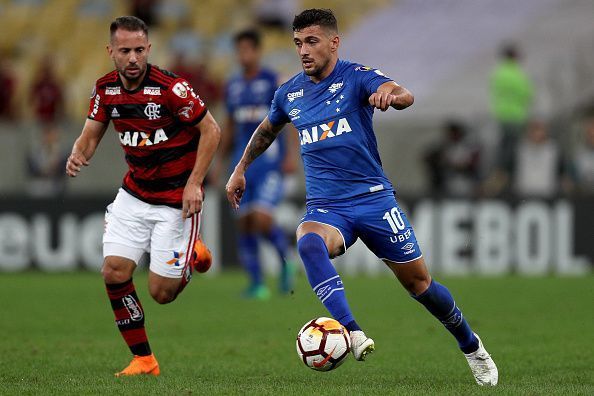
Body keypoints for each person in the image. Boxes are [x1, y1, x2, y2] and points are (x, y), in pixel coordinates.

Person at [225, 9, 498, 386]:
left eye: (312, 41)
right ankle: (352, 331)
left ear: (334, 42)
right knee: (308, 240)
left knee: (420, 285)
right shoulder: (289, 93)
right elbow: (267, 130)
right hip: (327, 207)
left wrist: (392, 93)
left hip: (374, 201)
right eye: (298, 43)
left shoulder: (356, 78)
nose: (303, 50)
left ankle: (472, 346)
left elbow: (404, 95)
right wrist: (240, 168)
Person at [65, 16, 220, 377]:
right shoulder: (104, 89)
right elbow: (90, 136)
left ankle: (194, 254)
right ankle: (144, 359)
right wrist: (77, 154)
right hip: (134, 195)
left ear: (148, 49)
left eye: (139, 50)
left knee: (161, 293)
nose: (133, 57)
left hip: (175, 200)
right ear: (111, 52)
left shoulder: (171, 89)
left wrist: (195, 183)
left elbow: (211, 131)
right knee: (114, 271)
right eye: (124, 51)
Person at [214, 29, 296, 299]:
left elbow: (290, 118)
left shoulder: (273, 80)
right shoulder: (233, 87)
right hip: (241, 164)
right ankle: (257, 284)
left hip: (269, 163)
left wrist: (290, 156)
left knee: (261, 220)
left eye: (248, 49)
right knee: (245, 223)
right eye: (239, 50)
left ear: (258, 51)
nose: (243, 55)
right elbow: (229, 127)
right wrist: (218, 165)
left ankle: (286, 264)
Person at [488, 43, 534, 192]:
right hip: (516, 115)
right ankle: (506, 175)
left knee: (504, 144)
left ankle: (500, 171)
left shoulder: (498, 73)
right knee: (513, 147)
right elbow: (527, 93)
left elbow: (494, 91)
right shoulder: (517, 74)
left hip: (501, 114)